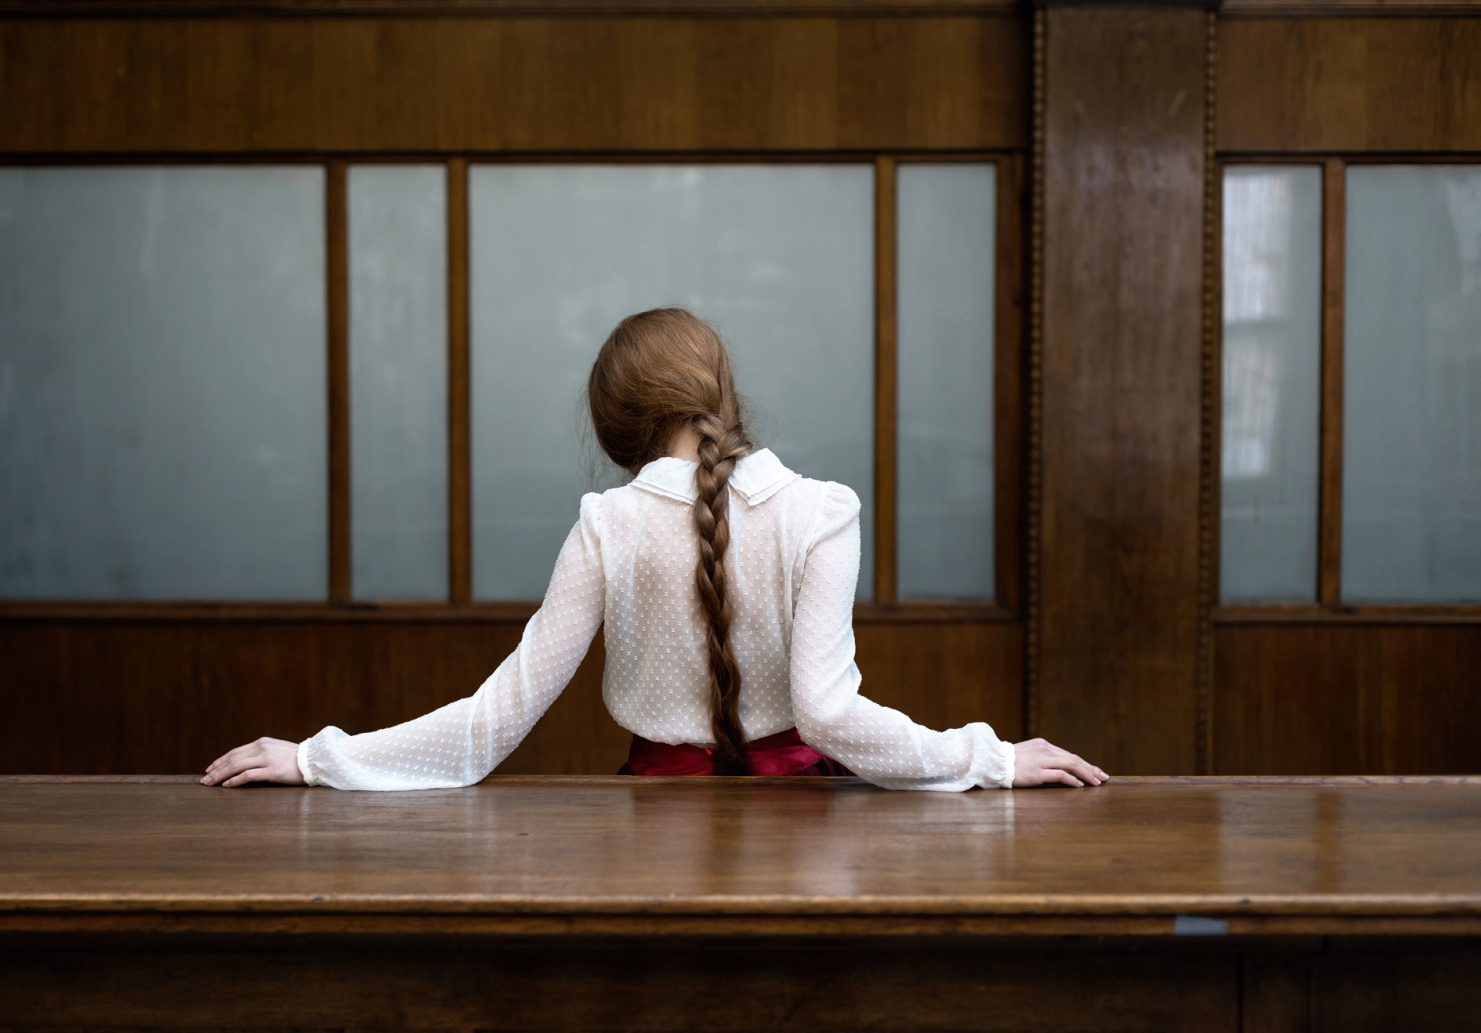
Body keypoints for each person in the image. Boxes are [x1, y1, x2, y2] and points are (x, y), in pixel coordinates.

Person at [203, 308, 1107, 792]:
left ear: (614, 428)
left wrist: (318, 757)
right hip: (809, 833)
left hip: (652, 823)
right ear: (724, 394)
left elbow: (493, 722)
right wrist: (986, 758)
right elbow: (828, 718)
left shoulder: (608, 524)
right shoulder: (823, 512)